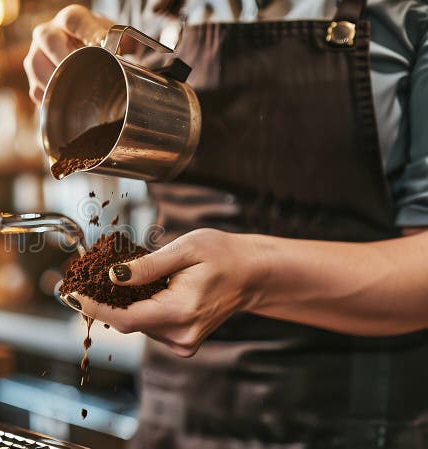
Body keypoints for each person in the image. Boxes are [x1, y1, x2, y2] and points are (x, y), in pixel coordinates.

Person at [24, 0, 428, 448]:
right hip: (177, 412)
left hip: (358, 419)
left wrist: (257, 274)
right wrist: (75, 66)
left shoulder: (407, 12)